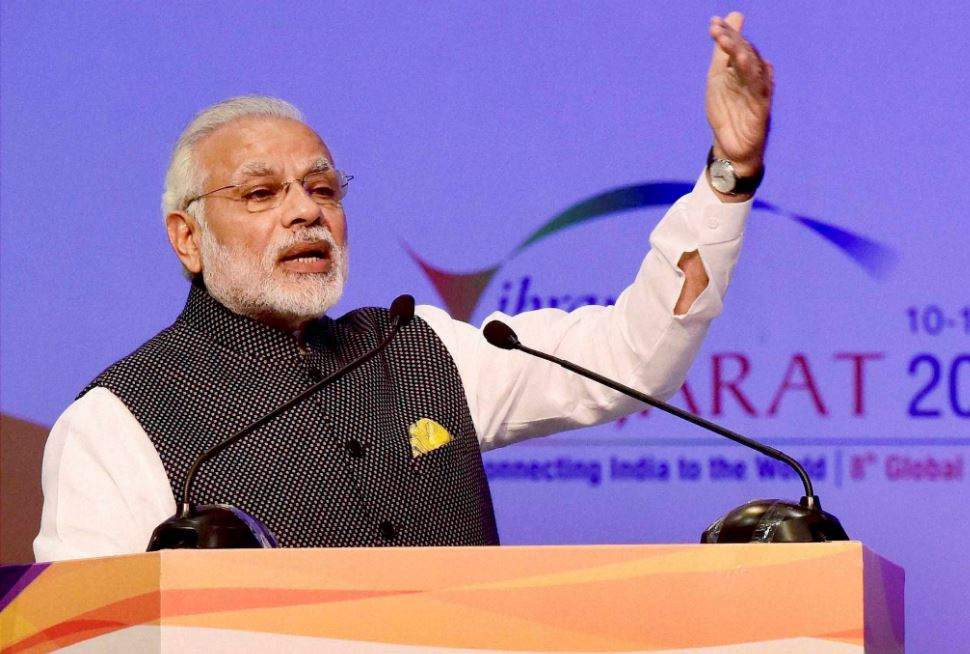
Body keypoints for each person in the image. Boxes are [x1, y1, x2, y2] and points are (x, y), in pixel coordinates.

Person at [34, 13, 772, 560]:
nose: (305, 211)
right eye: (261, 194)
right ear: (186, 237)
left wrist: (727, 180)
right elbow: (89, 635)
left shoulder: (420, 350)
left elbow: (630, 358)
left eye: (322, 188)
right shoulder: (119, 423)